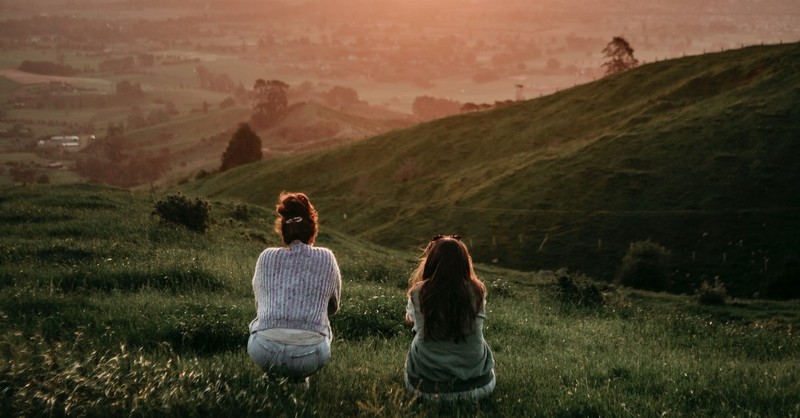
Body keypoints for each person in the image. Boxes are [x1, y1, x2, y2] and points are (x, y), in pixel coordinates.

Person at [247, 192, 342, 386]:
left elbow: (260, 303)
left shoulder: (266, 257)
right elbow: (332, 308)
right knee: (324, 328)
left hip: (263, 350)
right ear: (312, 229)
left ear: (283, 231)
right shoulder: (327, 257)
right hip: (309, 354)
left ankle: (271, 379)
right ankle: (299, 381)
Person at [404, 235, 496, 401]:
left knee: (417, 338)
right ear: (464, 262)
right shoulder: (477, 291)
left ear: (431, 261)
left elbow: (410, 320)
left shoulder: (419, 292)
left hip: (426, 390)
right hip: (479, 387)